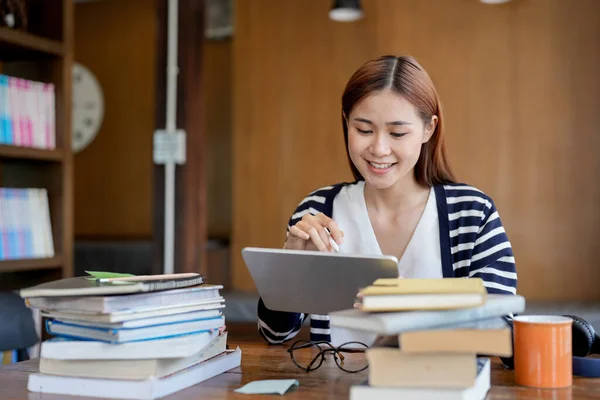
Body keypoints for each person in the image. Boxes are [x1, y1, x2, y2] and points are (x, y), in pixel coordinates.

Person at [257, 55, 517, 345]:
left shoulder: (472, 214)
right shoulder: (318, 210)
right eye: (364, 130)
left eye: (397, 133)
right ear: (346, 122)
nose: (379, 148)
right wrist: (289, 267)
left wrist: (416, 308)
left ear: (428, 129)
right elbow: (274, 333)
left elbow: (501, 331)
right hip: (336, 388)